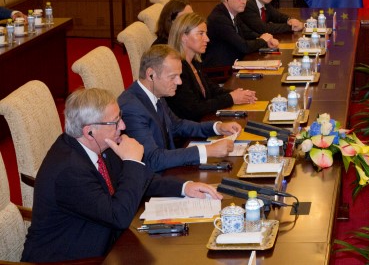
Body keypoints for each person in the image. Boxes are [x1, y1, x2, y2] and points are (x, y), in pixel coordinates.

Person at [21, 88, 221, 262]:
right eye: (115, 122)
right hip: (71, 259)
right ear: (90, 131)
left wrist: (184, 187)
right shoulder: (69, 170)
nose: (123, 127)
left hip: (107, 243)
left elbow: (140, 181)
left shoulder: (100, 146)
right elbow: (118, 216)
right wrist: (132, 161)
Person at [118, 45, 239, 172]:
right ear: (151, 75)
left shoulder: (156, 92)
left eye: (179, 76)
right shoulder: (132, 107)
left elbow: (177, 125)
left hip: (169, 169)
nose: (179, 82)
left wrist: (217, 127)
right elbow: (153, 159)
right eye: (173, 77)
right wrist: (207, 150)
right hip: (153, 181)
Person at [166, 12, 257, 120]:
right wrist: (231, 98)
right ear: (183, 37)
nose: (207, 39)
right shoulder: (177, 70)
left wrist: (240, 94)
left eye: (206, 33)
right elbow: (194, 109)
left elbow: (212, 89)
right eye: (201, 34)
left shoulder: (194, 63)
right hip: (191, 130)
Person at [203, 0, 279, 69]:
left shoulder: (234, 13)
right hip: (221, 70)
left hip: (235, 62)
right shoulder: (219, 18)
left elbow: (247, 33)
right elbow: (243, 46)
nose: (244, 2)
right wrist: (262, 40)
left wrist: (266, 40)